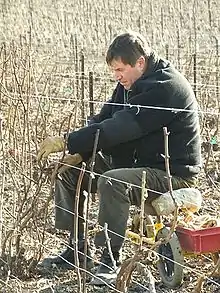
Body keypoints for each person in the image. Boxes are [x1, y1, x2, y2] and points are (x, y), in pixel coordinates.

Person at [37, 31, 201, 285]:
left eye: (120, 69)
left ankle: (110, 258)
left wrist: (67, 141)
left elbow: (121, 127)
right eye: (114, 70)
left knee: (112, 182)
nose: (116, 75)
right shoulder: (130, 83)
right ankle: (77, 250)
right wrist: (79, 153)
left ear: (140, 62)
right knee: (69, 172)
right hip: (136, 163)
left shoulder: (165, 88)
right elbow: (105, 119)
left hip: (170, 173)